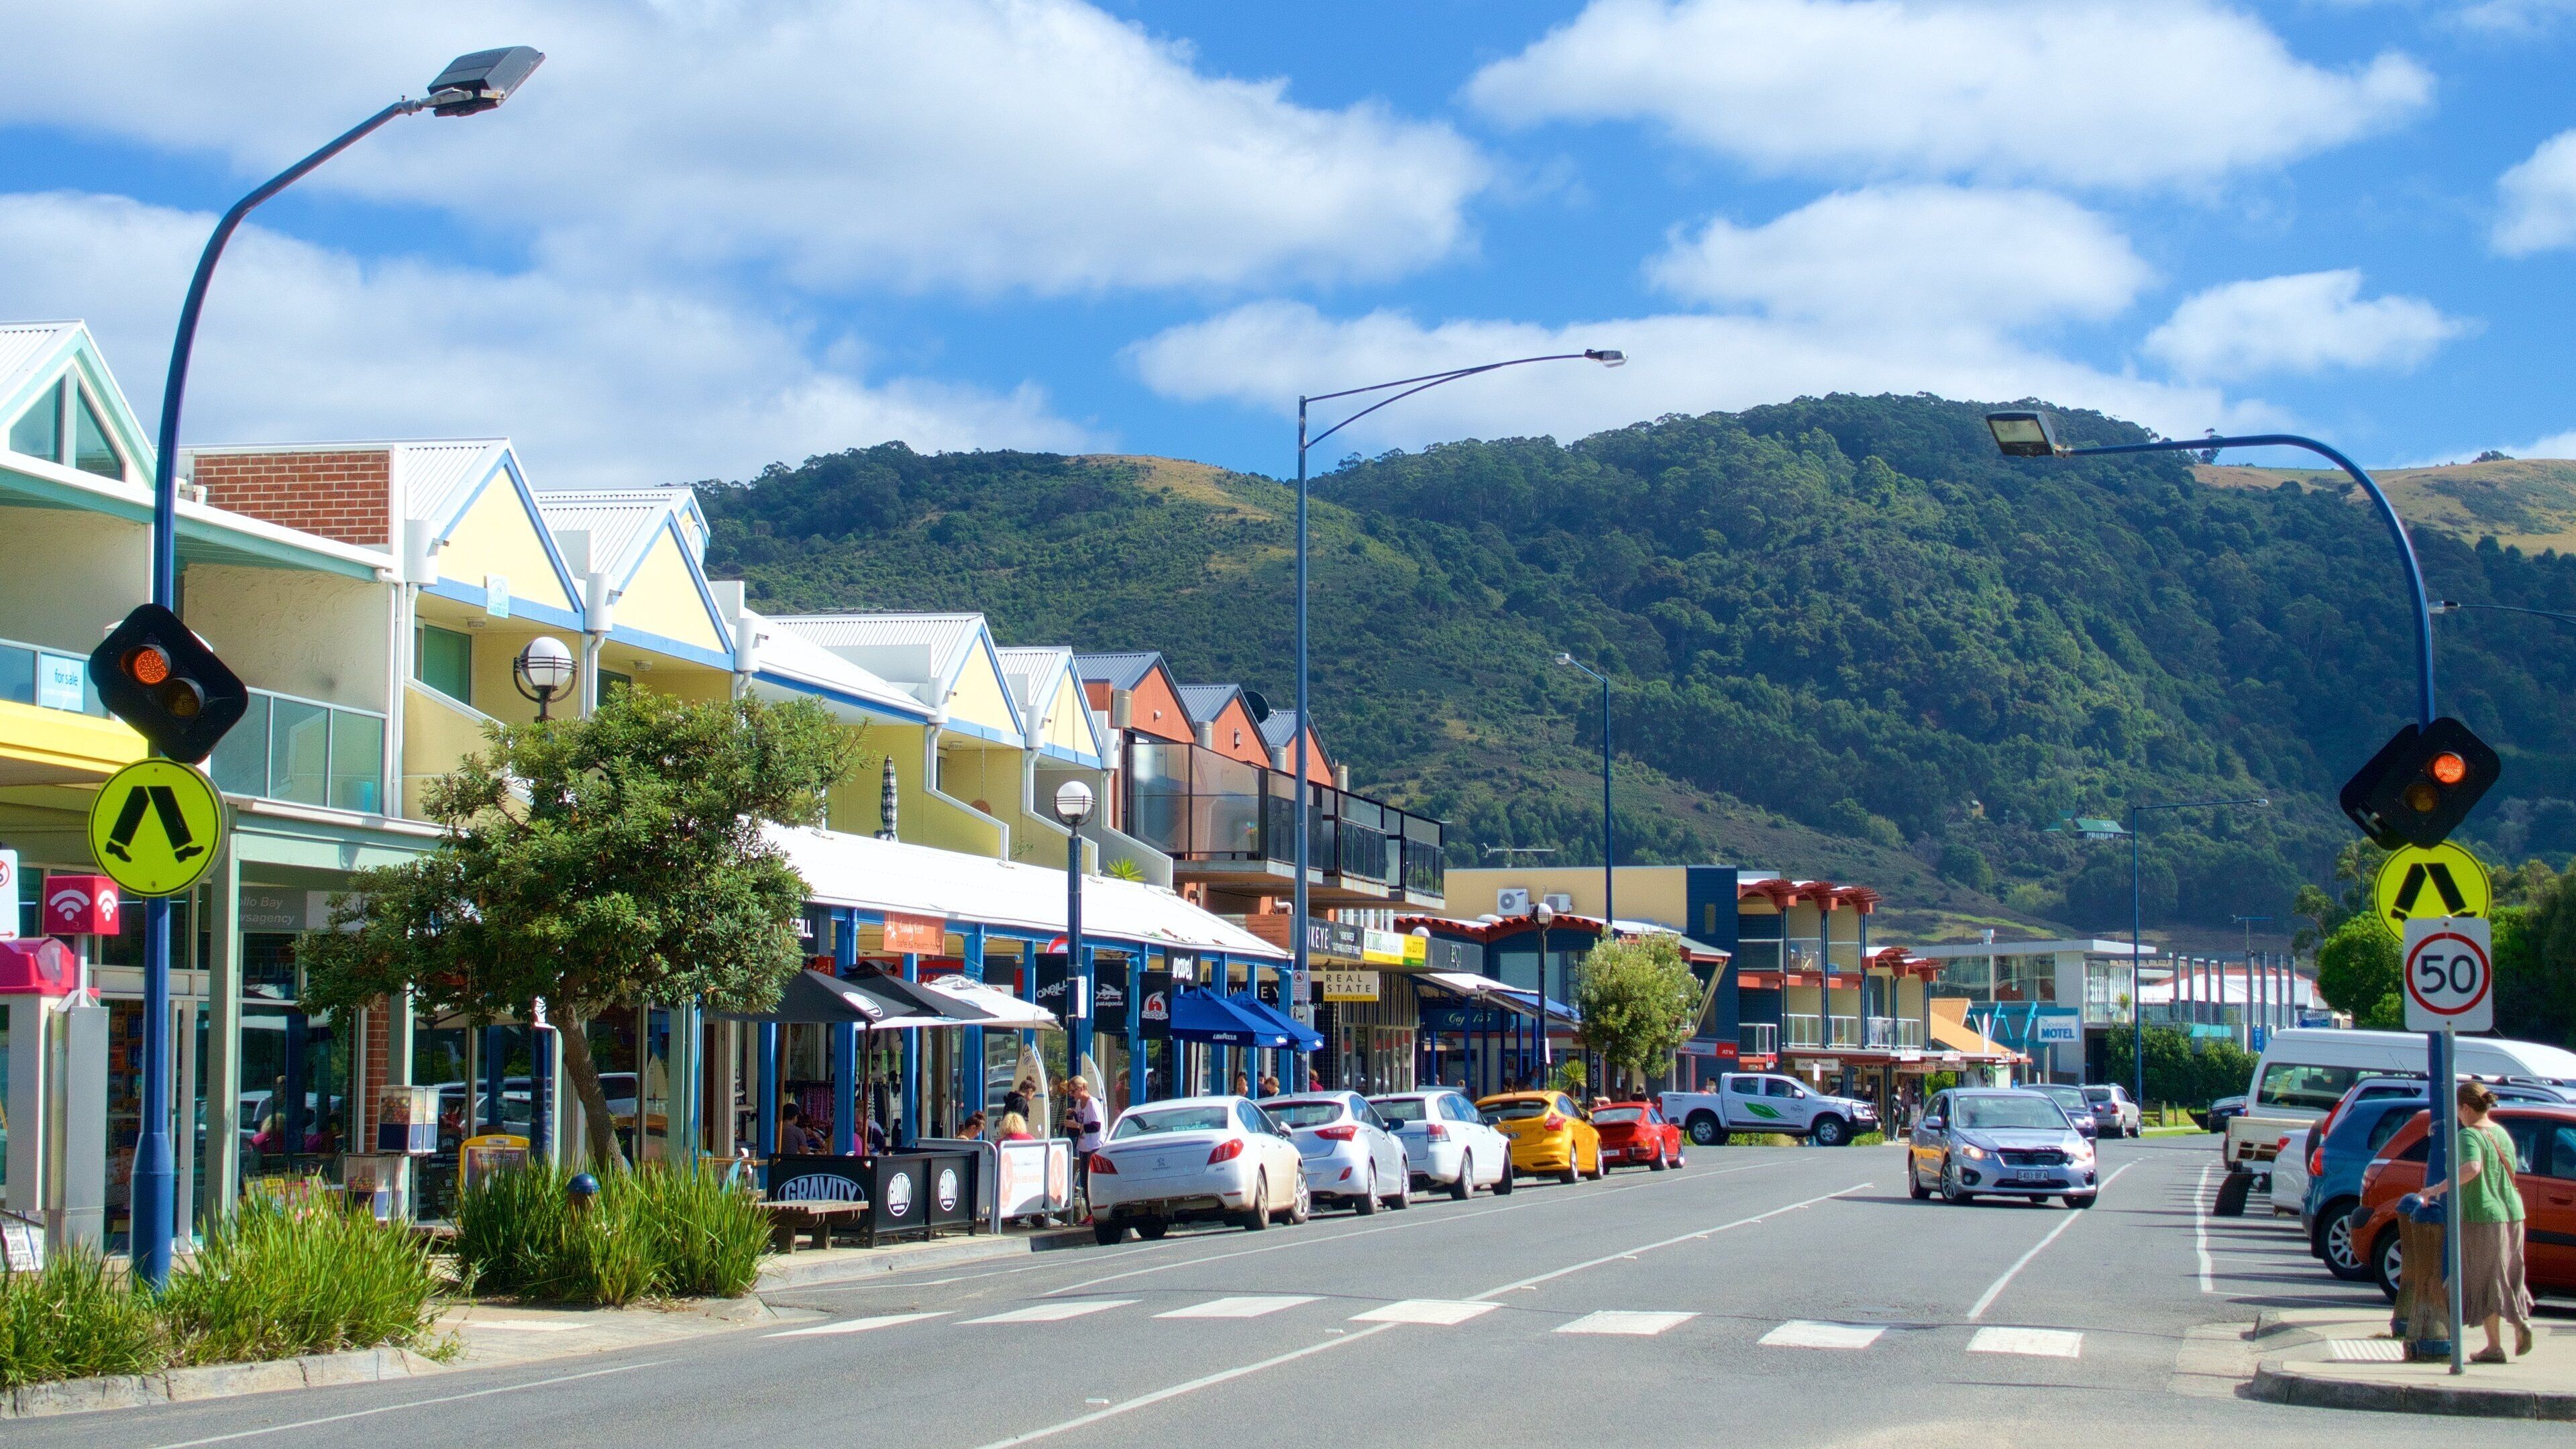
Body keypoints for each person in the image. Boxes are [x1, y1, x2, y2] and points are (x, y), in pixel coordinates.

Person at [2420, 1081, 2535, 1362]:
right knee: (2509, 1274)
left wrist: (2436, 1189)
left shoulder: (2469, 1135)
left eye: (2458, 1110)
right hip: (2513, 1213)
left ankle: (2498, 1344)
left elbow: (2472, 1168)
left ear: (2467, 1107)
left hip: (2483, 1216)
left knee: (2485, 1280)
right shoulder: (2501, 1133)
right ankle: (2519, 1324)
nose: (2458, 1115)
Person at [1062, 1078, 1106, 1210]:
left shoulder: (1093, 1103)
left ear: (1082, 1088)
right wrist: (1074, 1115)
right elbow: (1081, 1121)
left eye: (1073, 1091)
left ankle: (1093, 1213)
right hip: (1083, 1145)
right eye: (1070, 1092)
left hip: (1094, 1146)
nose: (1071, 1094)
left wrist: (1077, 1125)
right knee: (1085, 1182)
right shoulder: (1080, 1103)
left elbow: (1096, 1126)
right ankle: (1088, 1213)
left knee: (1092, 1182)